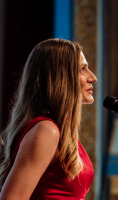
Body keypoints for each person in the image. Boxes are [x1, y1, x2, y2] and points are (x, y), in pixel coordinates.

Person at [0, 38, 97, 200]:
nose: (92, 77)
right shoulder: (47, 131)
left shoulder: (62, 130)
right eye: (82, 69)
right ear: (61, 77)